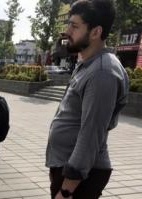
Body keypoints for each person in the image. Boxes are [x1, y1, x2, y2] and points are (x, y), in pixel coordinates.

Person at [45, 1, 129, 199]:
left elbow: (90, 136)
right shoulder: (88, 64)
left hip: (81, 178)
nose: (66, 32)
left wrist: (66, 190)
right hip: (69, 169)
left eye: (74, 26)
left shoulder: (102, 72)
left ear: (95, 32)